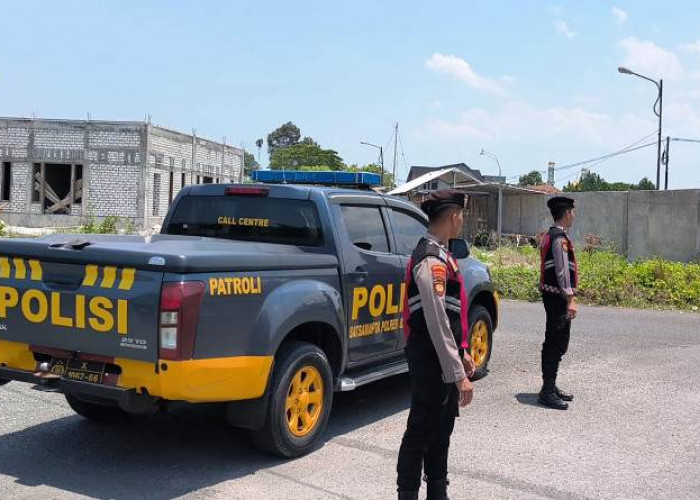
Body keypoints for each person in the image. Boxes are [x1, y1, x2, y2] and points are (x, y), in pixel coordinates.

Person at [396, 189, 475, 500]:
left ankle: (438, 492)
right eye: (462, 216)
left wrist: (463, 350)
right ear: (454, 216)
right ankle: (408, 494)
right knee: (421, 431)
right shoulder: (430, 259)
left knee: (441, 432)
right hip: (431, 361)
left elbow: (454, 313)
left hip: (442, 359)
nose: (462, 221)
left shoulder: (443, 255)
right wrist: (459, 373)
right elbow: (436, 319)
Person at [538, 196, 578, 410]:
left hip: (552, 295)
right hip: (558, 297)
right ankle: (547, 391)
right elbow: (562, 272)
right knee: (556, 342)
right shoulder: (558, 239)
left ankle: (550, 386)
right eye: (573, 211)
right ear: (567, 213)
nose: (574, 215)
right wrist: (571, 298)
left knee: (554, 341)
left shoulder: (551, 235)